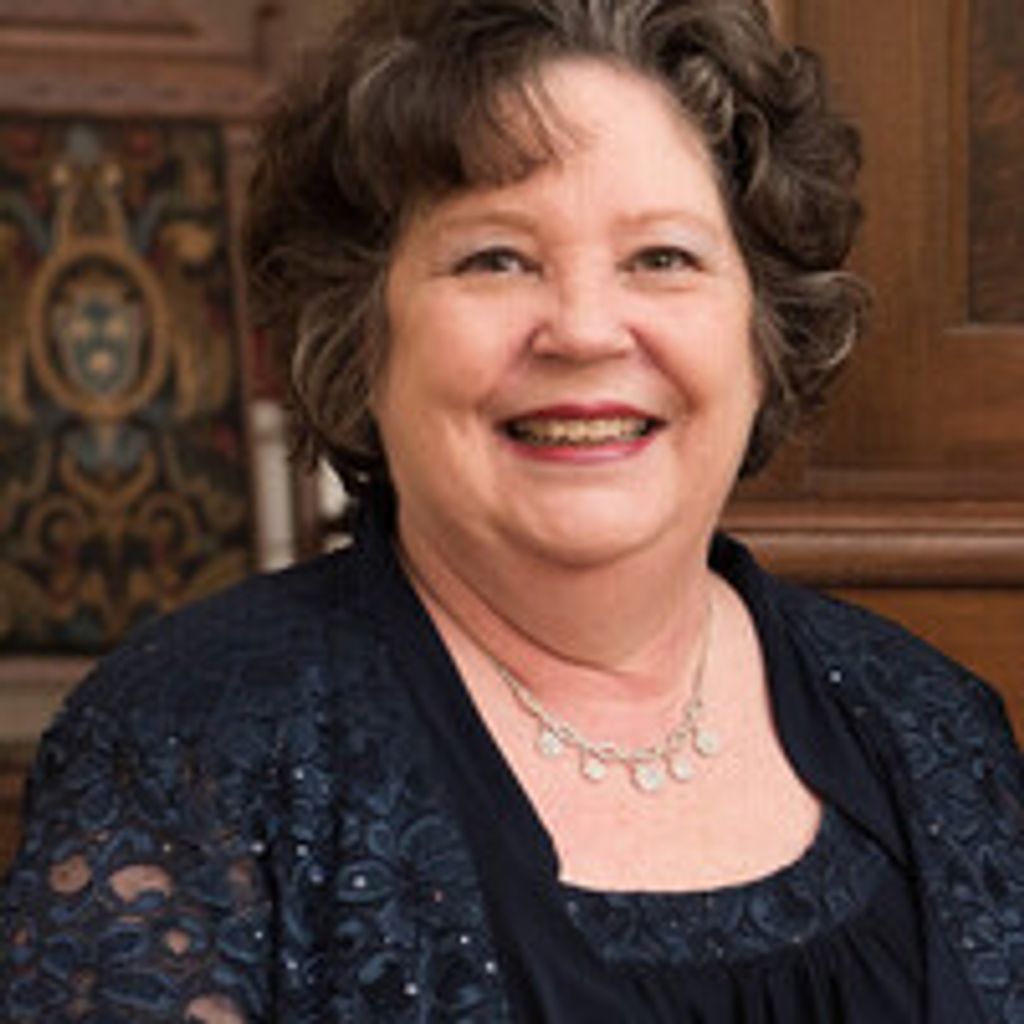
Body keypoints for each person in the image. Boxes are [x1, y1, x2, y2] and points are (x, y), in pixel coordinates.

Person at [2, 0, 1022, 1020]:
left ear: (765, 330)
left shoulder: (933, 724)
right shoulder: (183, 749)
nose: (584, 330)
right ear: (361, 331)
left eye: (662, 258)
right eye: (495, 258)